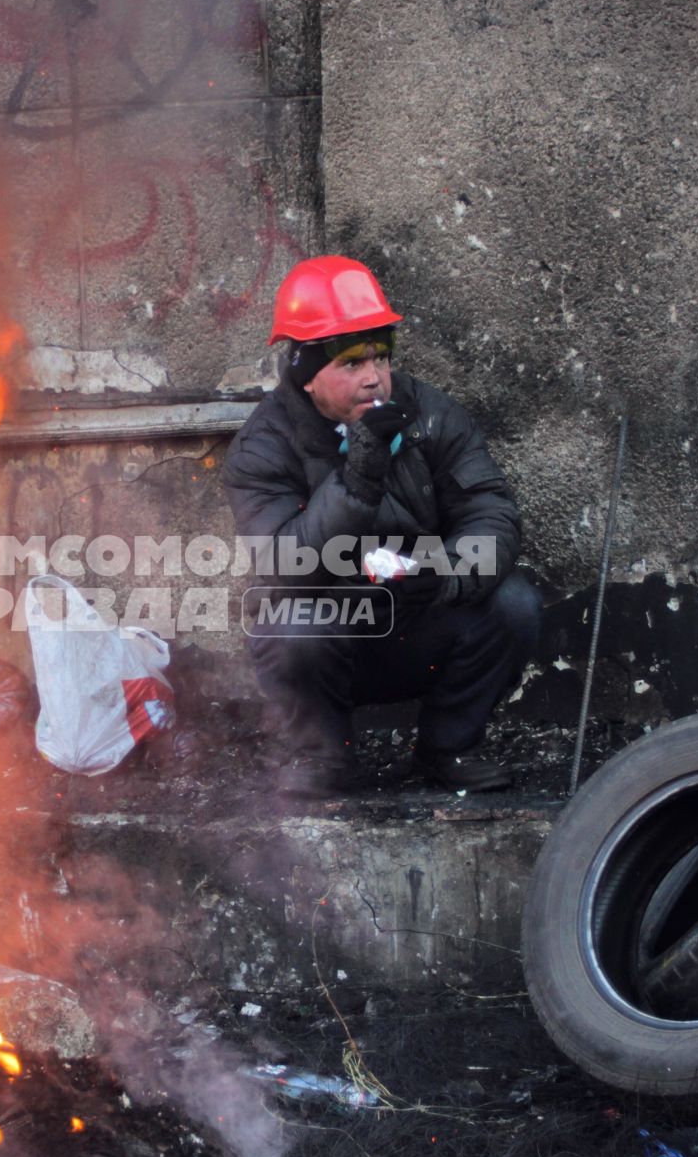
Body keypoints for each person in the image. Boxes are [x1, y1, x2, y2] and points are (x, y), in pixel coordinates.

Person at [222, 256, 541, 799]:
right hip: (338, 633)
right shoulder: (263, 448)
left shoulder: (430, 413)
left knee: (514, 603)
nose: (373, 377)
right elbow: (285, 564)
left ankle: (449, 747)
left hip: (423, 619)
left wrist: (444, 573)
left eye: (381, 356)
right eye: (350, 362)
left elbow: (491, 511)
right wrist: (359, 479)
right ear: (307, 375)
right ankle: (325, 758)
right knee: (283, 625)